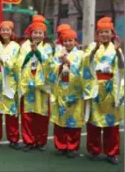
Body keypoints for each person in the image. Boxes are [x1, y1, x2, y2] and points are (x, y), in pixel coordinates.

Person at [82, 17, 124, 165]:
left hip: (110, 89)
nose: (104, 35)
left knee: (111, 124)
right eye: (101, 32)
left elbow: (121, 67)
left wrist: (119, 52)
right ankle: (94, 150)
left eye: (107, 32)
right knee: (93, 123)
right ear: (97, 34)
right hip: (95, 88)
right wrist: (93, 50)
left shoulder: (115, 47)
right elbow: (85, 63)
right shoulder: (92, 46)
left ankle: (112, 152)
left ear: (112, 34)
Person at [16, 15, 53, 152]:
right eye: (35, 32)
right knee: (27, 115)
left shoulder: (48, 48)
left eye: (40, 33)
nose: (37, 35)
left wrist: (37, 53)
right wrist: (28, 54)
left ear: (44, 35)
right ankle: (28, 141)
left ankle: (40, 141)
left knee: (41, 115)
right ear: (30, 34)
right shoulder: (24, 46)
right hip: (28, 85)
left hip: (41, 86)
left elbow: (50, 64)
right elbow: (18, 63)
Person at [49, 29, 85, 158]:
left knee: (74, 121)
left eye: (70, 40)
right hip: (61, 91)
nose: (68, 43)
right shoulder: (59, 54)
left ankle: (73, 147)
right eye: (65, 41)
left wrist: (69, 63)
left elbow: (84, 72)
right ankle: (61, 145)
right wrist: (60, 65)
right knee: (60, 120)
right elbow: (52, 72)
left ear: (76, 42)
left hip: (74, 91)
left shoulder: (81, 55)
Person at [0, 21, 21, 150]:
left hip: (9, 82)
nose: (5, 32)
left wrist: (3, 60)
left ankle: (13, 138)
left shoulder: (16, 47)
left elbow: (17, 63)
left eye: (8, 30)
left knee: (11, 112)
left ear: (12, 32)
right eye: (3, 30)